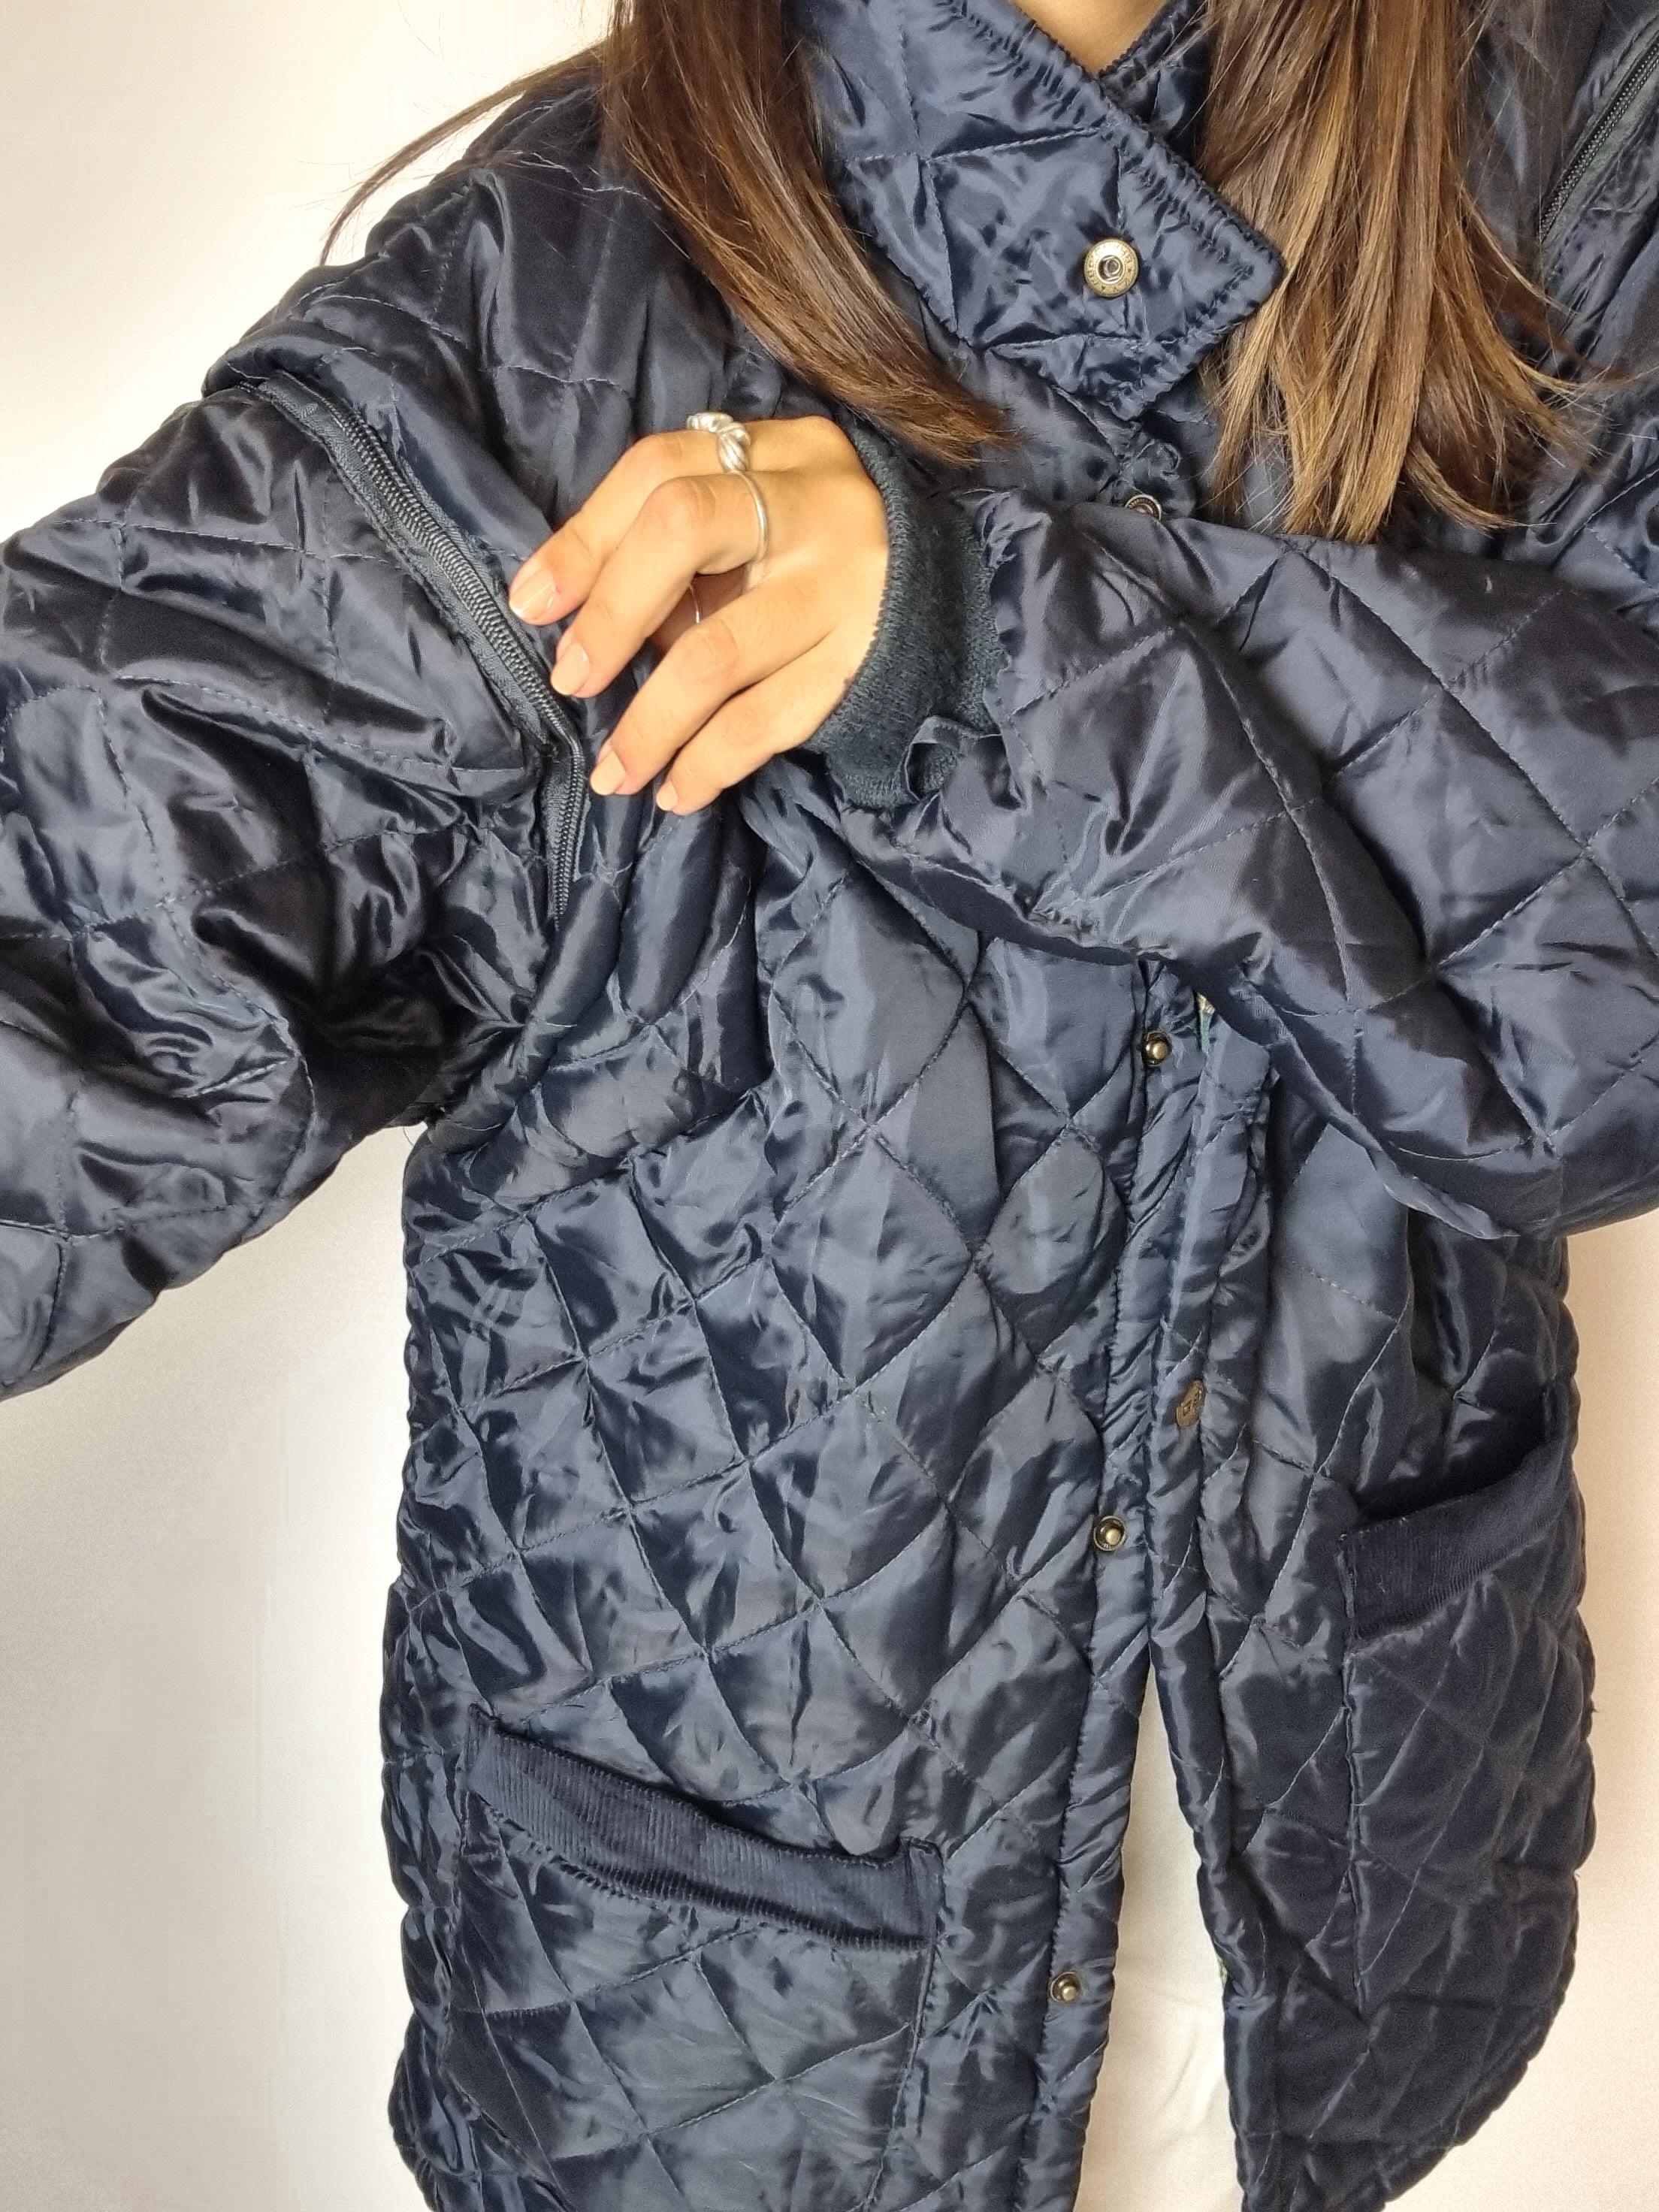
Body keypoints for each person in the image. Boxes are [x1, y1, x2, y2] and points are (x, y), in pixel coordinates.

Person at [2, 2, 1654, 2208]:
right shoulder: (532, 319)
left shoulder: (1574, 129)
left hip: (1371, 1933)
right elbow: (76, 897)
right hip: (717, 2056)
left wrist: (997, 646)